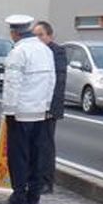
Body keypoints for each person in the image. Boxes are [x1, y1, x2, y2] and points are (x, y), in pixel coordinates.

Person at [0, 15, 56, 204]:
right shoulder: (45, 50)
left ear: (14, 32)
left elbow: (12, 84)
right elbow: (51, 80)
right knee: (37, 154)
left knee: (19, 155)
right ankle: (34, 195)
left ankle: (19, 195)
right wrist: (46, 105)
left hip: (21, 112)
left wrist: (9, 110)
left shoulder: (19, 52)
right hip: (40, 110)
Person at [32, 20, 67, 194]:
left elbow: (58, 82)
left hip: (48, 107)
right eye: (35, 35)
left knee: (45, 144)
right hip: (32, 106)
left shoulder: (57, 52)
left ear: (50, 36)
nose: (37, 39)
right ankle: (33, 178)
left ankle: (46, 181)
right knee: (32, 144)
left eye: (41, 35)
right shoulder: (33, 52)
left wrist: (50, 107)